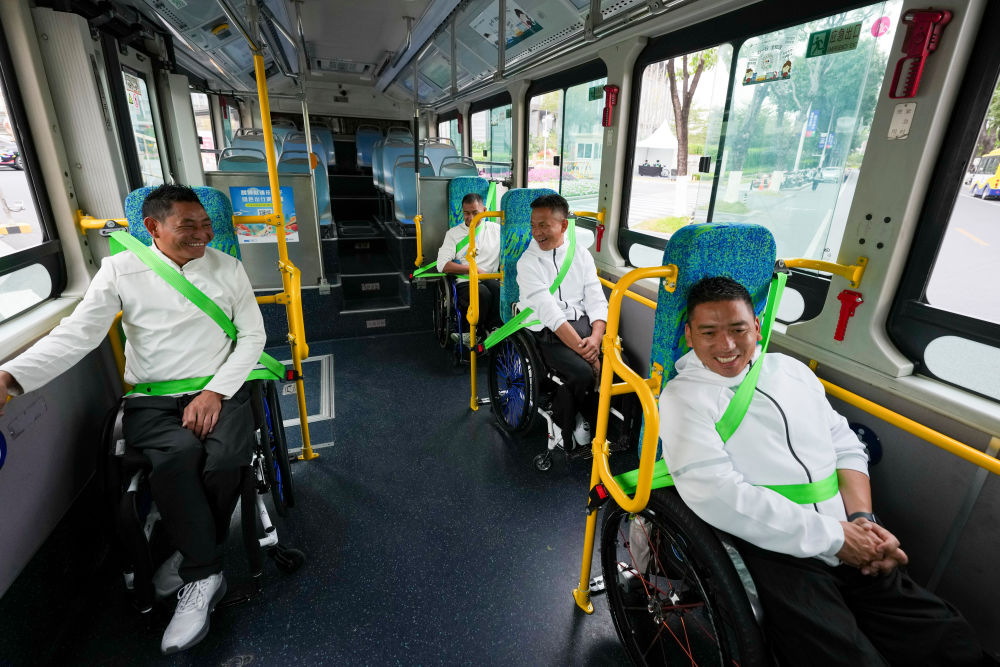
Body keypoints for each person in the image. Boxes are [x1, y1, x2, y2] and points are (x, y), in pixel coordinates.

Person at [657, 275, 986, 666]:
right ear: (690, 335)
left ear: (757, 327)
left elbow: (845, 445)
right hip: (777, 549)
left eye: (738, 329)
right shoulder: (684, 398)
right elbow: (717, 493)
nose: (727, 345)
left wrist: (863, 521)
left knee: (950, 639)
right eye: (709, 332)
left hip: (848, 529)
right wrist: (833, 538)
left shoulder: (791, 371)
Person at [0, 184, 266, 655]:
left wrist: (214, 392)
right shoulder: (120, 270)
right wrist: (10, 377)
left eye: (207, 225)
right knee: (176, 457)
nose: (203, 235)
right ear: (153, 227)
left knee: (226, 460)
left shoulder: (228, 268)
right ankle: (204, 574)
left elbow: (252, 337)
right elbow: (78, 334)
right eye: (188, 226)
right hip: (153, 397)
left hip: (221, 388)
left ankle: (190, 553)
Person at [516, 193, 607, 455]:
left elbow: (596, 299)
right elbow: (551, 315)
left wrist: (596, 339)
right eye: (533, 225)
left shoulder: (581, 255)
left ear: (563, 225)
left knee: (620, 366)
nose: (536, 232)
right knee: (582, 373)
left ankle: (594, 419)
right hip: (546, 331)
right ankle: (562, 421)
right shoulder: (528, 263)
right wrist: (589, 355)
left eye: (543, 225)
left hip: (584, 327)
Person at [436, 192, 502, 334]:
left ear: (485, 211)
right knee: (482, 294)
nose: (471, 218)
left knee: (498, 289)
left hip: (491, 278)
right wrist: (472, 269)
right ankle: (473, 332)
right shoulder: (453, 234)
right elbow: (442, 265)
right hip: (466, 282)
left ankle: (494, 330)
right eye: (466, 213)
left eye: (475, 213)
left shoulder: (497, 230)